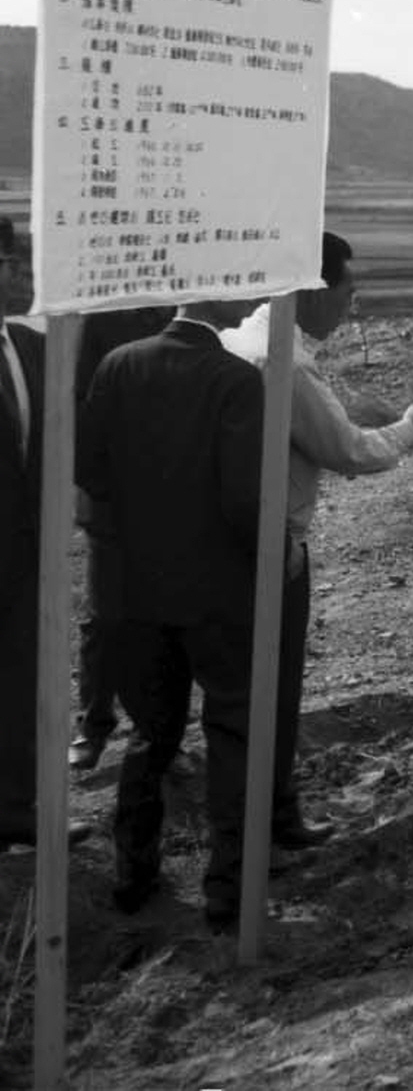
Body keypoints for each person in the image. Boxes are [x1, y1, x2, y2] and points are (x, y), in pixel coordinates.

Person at [221, 233, 413, 846]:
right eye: (348, 289)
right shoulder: (283, 360)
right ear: (314, 289)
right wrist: (409, 430)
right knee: (274, 685)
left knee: (240, 692)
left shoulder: (244, 336)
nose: (353, 302)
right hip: (273, 546)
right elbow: (346, 450)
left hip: (228, 536)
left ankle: (249, 816)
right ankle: (271, 819)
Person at [77, 295, 263, 932]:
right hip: (216, 592)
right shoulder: (238, 380)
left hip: (137, 590)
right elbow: (244, 500)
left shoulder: (119, 366)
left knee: (150, 733)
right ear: (218, 298)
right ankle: (228, 890)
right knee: (232, 729)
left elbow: (90, 472)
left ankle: (133, 875)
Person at [67, 303, 174, 772]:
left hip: (173, 492)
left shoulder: (182, 308)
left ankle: (159, 730)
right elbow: (80, 405)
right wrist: (92, 484)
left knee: (165, 617)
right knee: (106, 615)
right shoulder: (106, 310)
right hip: (112, 493)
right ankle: (93, 724)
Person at [0, 220, 56, 847]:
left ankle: (17, 809)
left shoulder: (29, 345)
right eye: (8, 262)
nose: (19, 273)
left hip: (25, 552)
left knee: (19, 684)